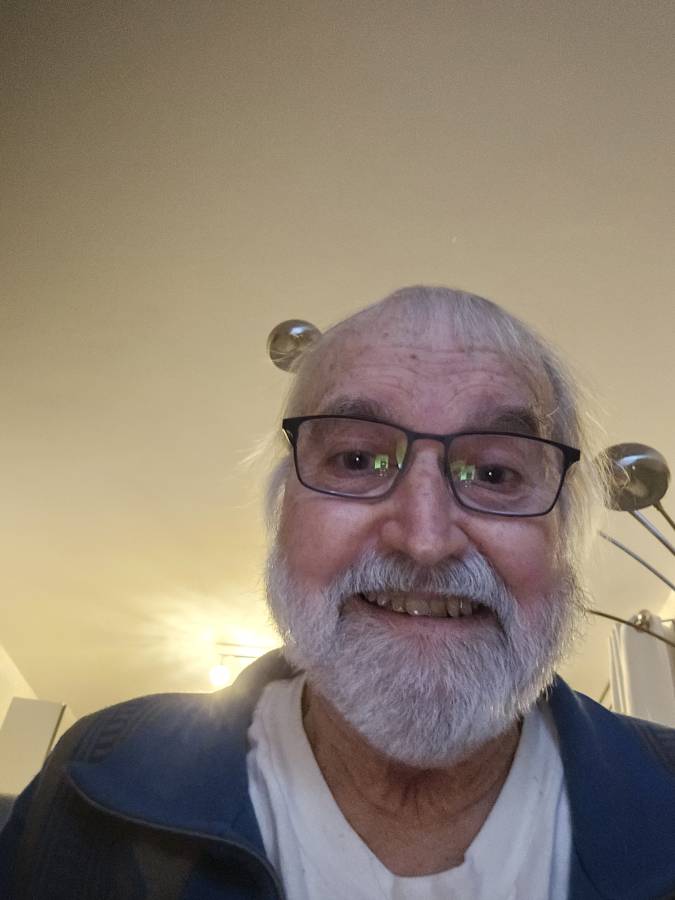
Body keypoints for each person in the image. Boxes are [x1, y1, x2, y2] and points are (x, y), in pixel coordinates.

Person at [1, 286, 674, 900]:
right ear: (283, 516)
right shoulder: (98, 769)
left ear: (563, 539)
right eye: (356, 460)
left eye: (495, 474)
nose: (424, 539)